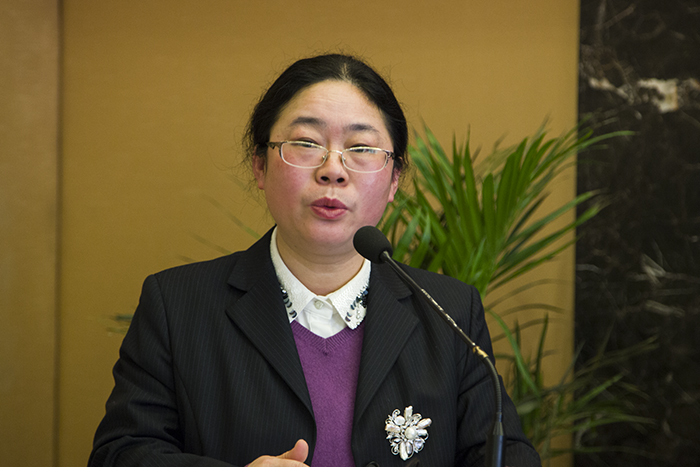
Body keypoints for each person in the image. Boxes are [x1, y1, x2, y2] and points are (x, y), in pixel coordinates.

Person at [89, 53, 541, 467]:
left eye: (361, 148)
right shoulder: (177, 305)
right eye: (306, 143)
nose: (333, 170)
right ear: (260, 166)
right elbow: (121, 454)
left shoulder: (449, 311)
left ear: (394, 180)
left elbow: (506, 454)